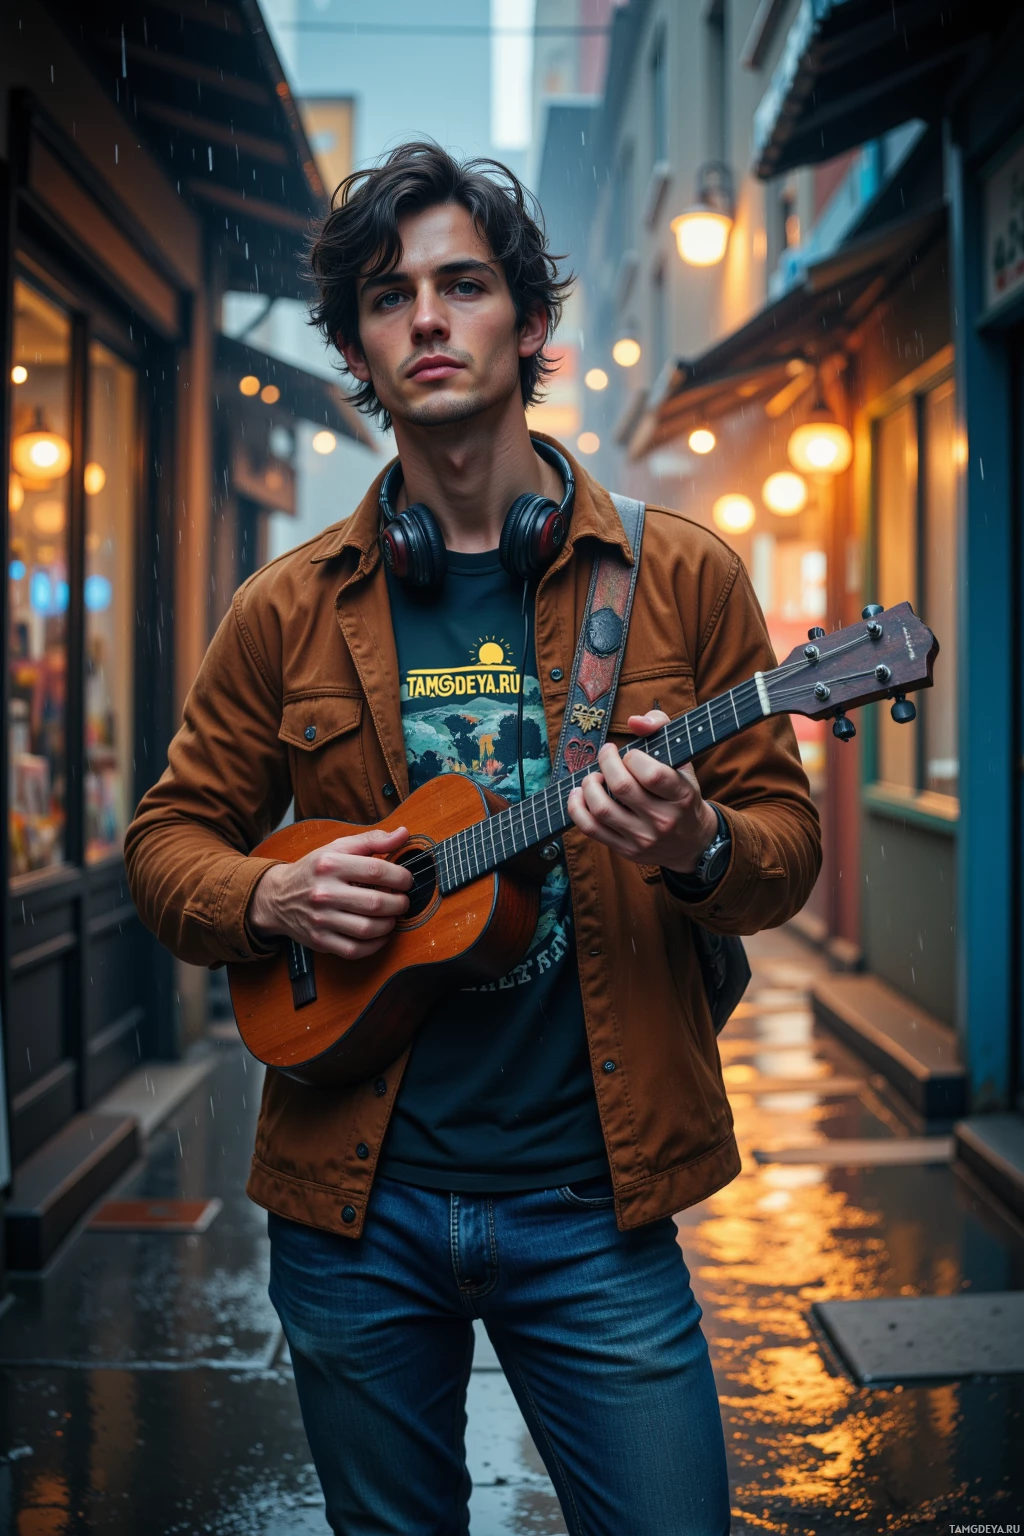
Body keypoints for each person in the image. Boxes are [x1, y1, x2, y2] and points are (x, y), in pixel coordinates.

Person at [125, 142, 820, 1536]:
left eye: (462, 284)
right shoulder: (286, 609)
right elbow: (169, 842)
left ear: (533, 327)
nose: (427, 319)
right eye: (389, 299)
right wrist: (274, 900)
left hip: (596, 1205)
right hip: (353, 1209)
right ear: (359, 354)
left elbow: (784, 844)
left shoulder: (679, 580)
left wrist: (693, 847)